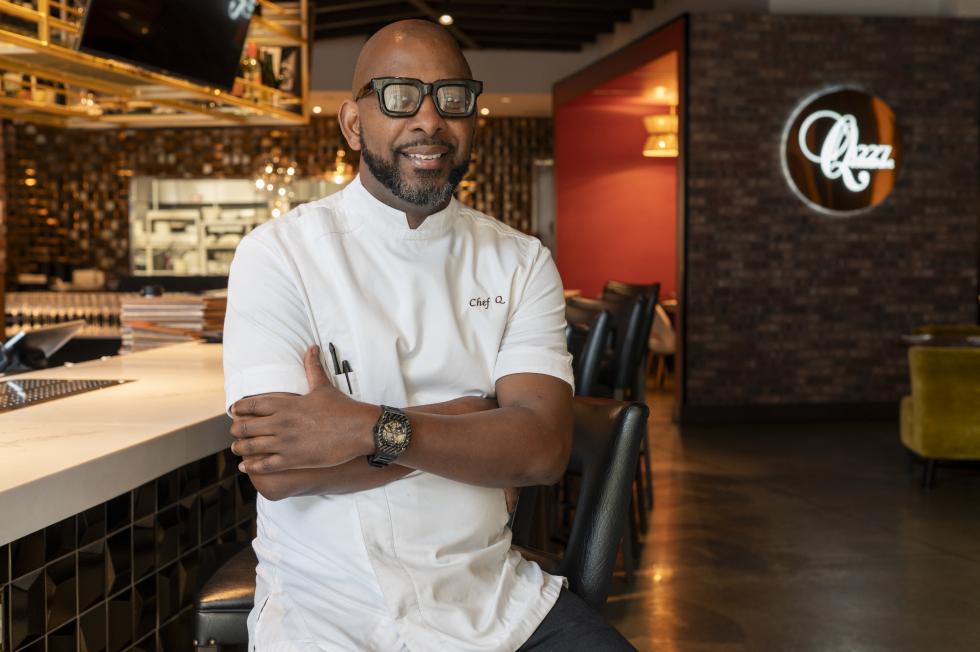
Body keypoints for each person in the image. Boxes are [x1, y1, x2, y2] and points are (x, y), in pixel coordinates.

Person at [223, 19, 634, 652]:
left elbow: (542, 451)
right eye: (399, 96)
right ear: (353, 123)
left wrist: (363, 427)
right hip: (329, 612)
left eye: (452, 97)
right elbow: (281, 471)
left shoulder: (520, 262)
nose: (430, 120)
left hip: (495, 602)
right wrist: (475, 418)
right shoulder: (277, 255)